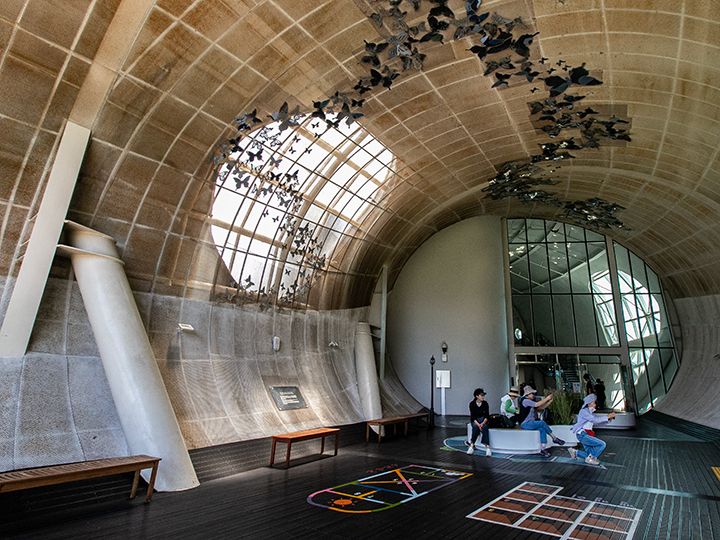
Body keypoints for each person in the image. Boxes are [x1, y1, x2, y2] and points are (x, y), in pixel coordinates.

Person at [569, 393, 616, 465]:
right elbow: (595, 420)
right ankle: (590, 459)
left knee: (589, 454)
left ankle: (575, 452)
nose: (595, 405)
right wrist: (607, 416)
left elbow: (597, 422)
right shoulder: (584, 411)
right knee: (602, 444)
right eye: (594, 403)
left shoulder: (590, 413)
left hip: (585, 434)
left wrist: (609, 419)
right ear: (589, 403)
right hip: (582, 434)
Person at [520, 385, 565, 457]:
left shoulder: (530, 401)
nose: (533, 395)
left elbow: (540, 408)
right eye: (532, 393)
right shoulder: (525, 401)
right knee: (542, 423)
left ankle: (543, 449)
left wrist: (549, 402)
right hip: (525, 424)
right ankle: (554, 438)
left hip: (530, 423)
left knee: (542, 430)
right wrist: (547, 398)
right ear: (527, 394)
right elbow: (537, 404)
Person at [467, 388, 492, 456]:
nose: (483, 397)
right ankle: (472, 445)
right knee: (475, 427)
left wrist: (482, 423)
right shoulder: (472, 404)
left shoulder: (485, 403)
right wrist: (478, 425)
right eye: (481, 395)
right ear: (477, 396)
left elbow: (487, 415)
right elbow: (473, 416)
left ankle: (487, 447)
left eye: (483, 395)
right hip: (475, 421)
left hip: (483, 420)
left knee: (485, 427)